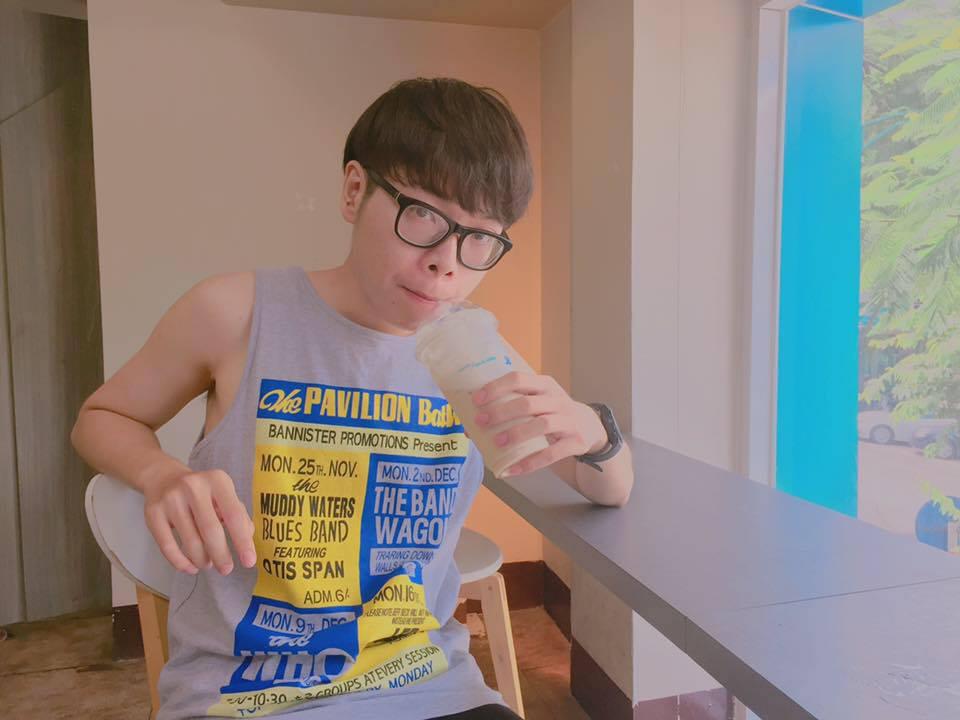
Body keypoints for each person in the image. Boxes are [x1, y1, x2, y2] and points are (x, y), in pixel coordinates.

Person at [71, 77, 633, 720]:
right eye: (424, 215)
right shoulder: (236, 314)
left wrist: (593, 431)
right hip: (248, 695)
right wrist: (161, 475)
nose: (448, 263)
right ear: (354, 190)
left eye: (481, 237)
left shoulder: (475, 359)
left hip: (426, 686)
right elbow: (102, 417)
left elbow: (610, 488)